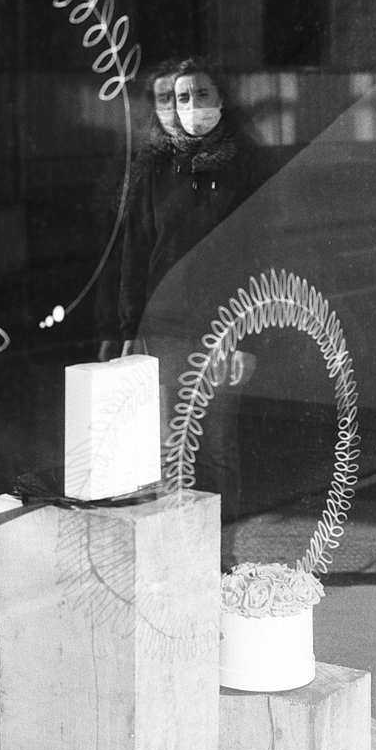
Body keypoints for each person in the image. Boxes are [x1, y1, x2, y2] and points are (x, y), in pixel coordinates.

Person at [119, 56, 262, 567]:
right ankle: (178, 560)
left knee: (216, 447)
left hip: (222, 331)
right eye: (182, 97)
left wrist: (246, 339)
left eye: (202, 94)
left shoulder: (245, 167)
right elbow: (136, 250)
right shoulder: (155, 168)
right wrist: (128, 327)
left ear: (221, 99)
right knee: (167, 449)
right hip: (164, 329)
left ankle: (220, 558)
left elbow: (258, 255)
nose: (191, 105)